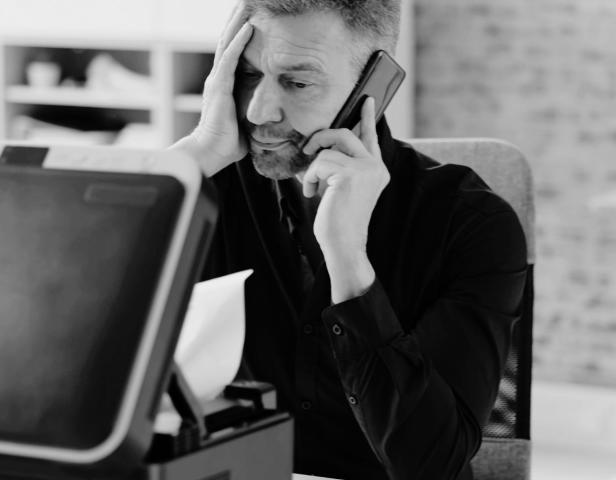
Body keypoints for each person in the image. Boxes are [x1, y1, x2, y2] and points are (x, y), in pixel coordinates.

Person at [170, 1, 528, 479]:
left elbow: (433, 464)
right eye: (248, 74)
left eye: (297, 82)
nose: (258, 110)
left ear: (372, 91)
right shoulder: (209, 186)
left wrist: (347, 260)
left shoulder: (471, 224)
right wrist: (196, 153)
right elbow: (65, 320)